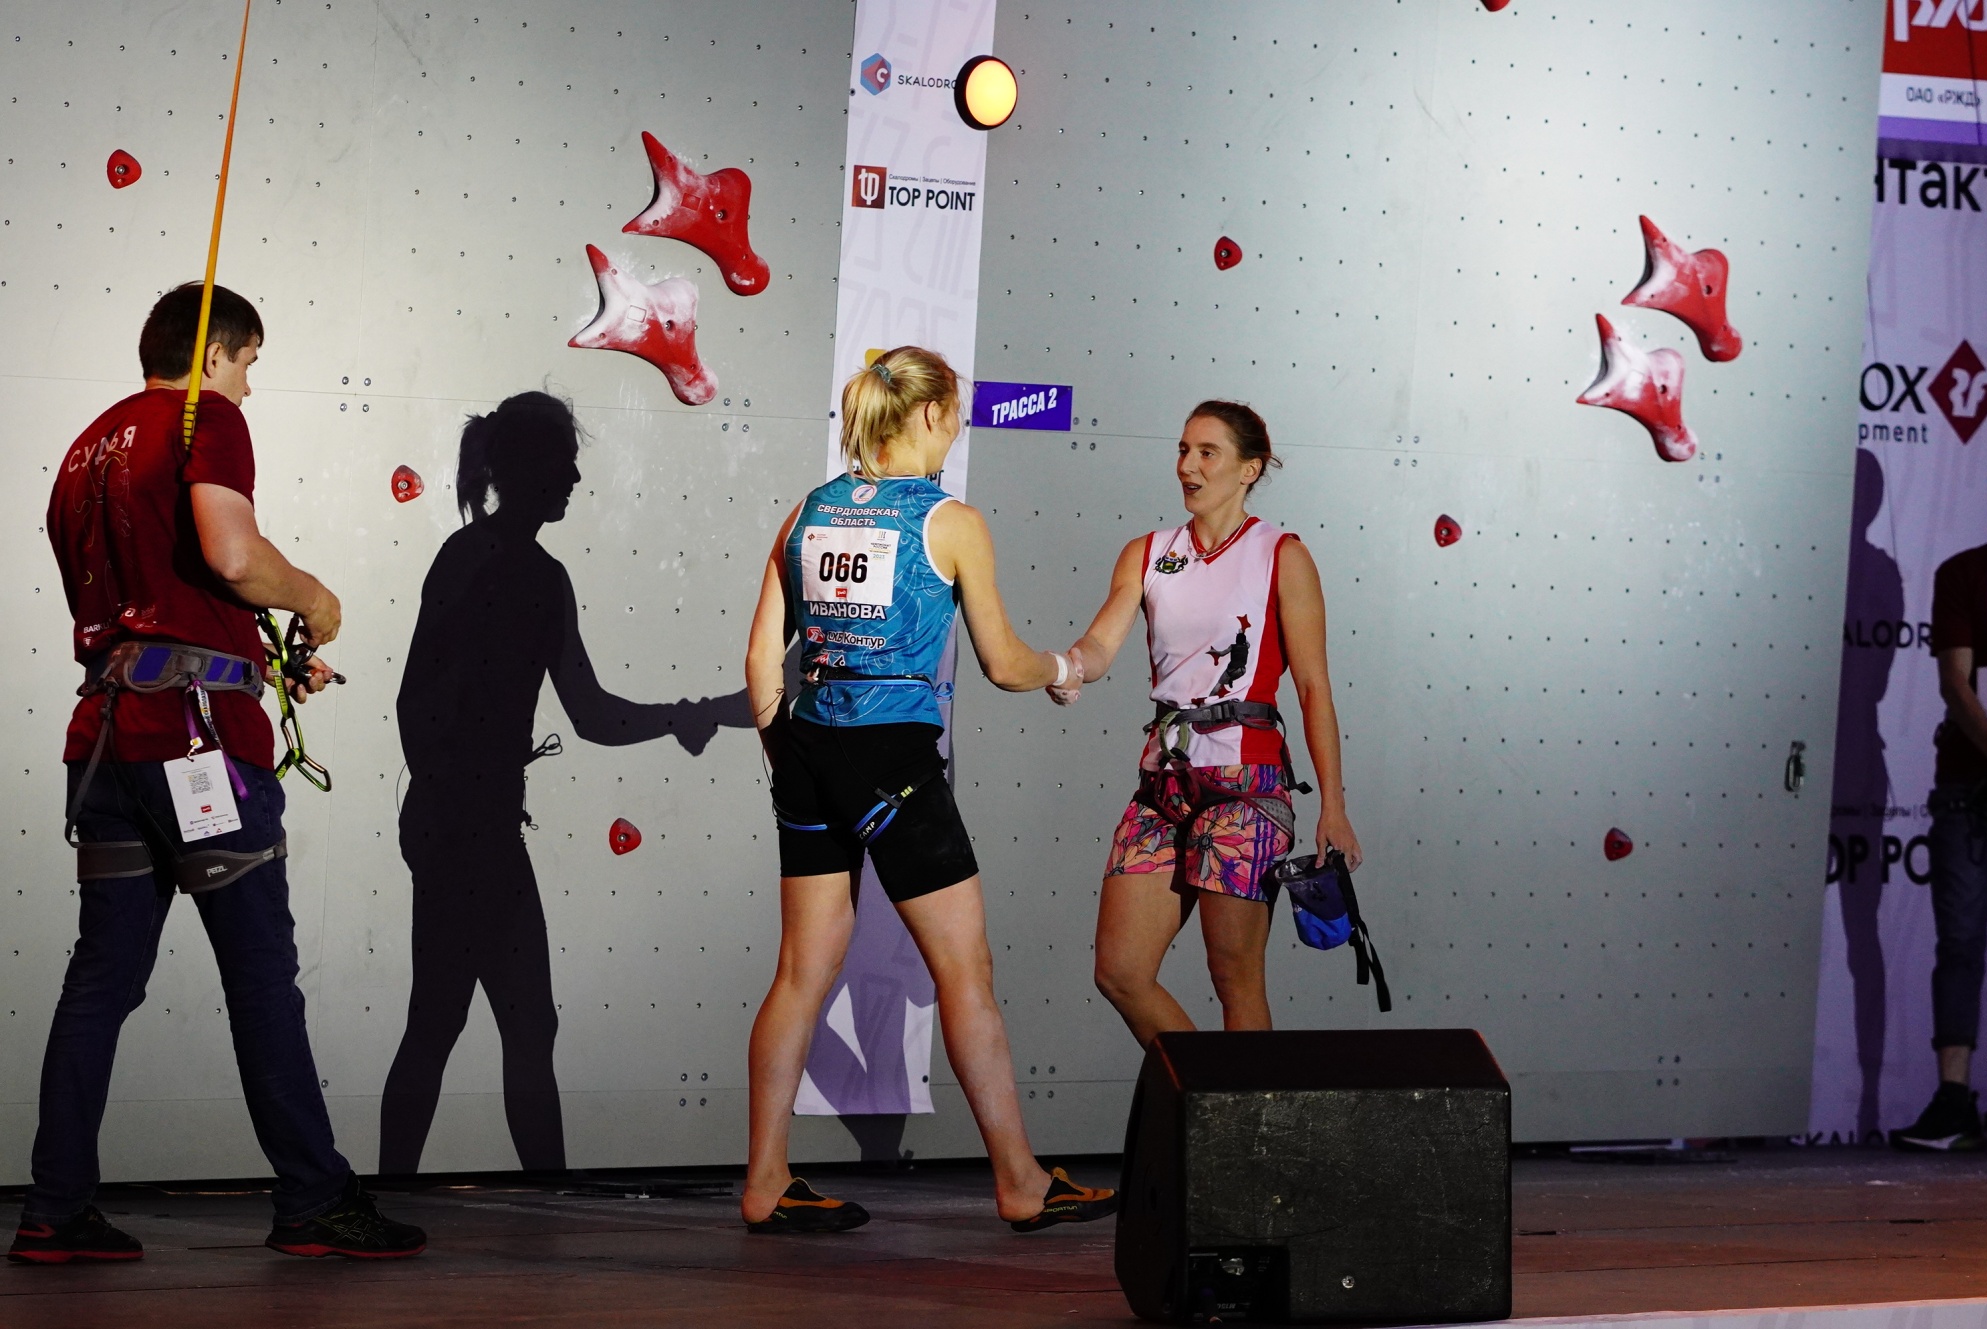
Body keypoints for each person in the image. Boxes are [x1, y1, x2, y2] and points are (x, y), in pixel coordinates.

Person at [15, 283, 424, 1264]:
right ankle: (314, 1199)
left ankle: (55, 1209)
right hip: (195, 748)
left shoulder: (86, 450)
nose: (249, 385)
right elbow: (232, 556)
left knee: (100, 982)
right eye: (247, 362)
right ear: (211, 356)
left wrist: (257, 661)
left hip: (107, 744)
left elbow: (156, 603)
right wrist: (313, 598)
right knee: (260, 979)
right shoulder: (207, 421)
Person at [740, 346, 1116, 1233]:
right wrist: (1066, 668)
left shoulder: (809, 511)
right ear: (932, 415)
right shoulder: (950, 520)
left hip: (807, 751)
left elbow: (760, 661)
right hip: (893, 762)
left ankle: (763, 1182)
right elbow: (1003, 663)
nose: (959, 431)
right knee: (965, 974)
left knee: (799, 973)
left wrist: (790, 762)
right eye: (958, 417)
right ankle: (1020, 1181)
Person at [379, 391, 750, 1176]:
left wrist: (689, 714)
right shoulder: (514, 570)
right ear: (533, 467)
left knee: (466, 1022)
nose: (577, 477)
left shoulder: (496, 563)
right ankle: (513, 1194)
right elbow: (586, 714)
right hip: (469, 828)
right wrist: (693, 715)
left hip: (467, 824)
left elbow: (577, 712)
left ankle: (411, 1190)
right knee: (487, 1023)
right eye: (567, 462)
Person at [1053, 400, 1362, 1050]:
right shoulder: (1148, 552)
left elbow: (1314, 687)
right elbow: (1101, 644)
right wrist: (1067, 667)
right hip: (1163, 783)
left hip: (1246, 785)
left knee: (1234, 977)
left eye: (1207, 452)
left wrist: (1333, 807)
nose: (1187, 466)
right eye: (1183, 450)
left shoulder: (1281, 554)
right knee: (1121, 971)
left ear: (1250, 468)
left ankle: (1243, 1116)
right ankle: (1207, 1095)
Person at [1891, 459, 1987, 1152]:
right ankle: (1954, 1100)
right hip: (1970, 786)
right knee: (1959, 941)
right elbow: (1955, 683)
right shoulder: (1964, 573)